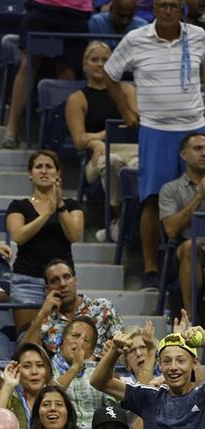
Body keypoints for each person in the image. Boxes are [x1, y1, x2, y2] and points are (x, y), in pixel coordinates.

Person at [104, 1, 205, 291]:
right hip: (155, 128)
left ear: (182, 8)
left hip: (196, 126)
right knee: (150, 199)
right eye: (162, 5)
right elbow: (111, 73)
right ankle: (150, 270)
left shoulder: (198, 35)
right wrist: (125, 110)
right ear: (155, 8)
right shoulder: (136, 38)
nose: (168, 11)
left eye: (174, 5)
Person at [6, 150, 86, 332]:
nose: (43, 171)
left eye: (49, 167)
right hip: (27, 281)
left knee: (64, 336)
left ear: (57, 173)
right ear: (30, 174)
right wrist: (48, 213)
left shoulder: (71, 205)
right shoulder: (18, 206)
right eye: (38, 167)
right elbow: (18, 236)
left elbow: (74, 235)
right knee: (29, 336)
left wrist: (58, 206)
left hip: (62, 282)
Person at [1, 0, 93, 150]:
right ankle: (11, 129)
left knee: (68, 71)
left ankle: (63, 135)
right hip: (43, 9)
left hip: (76, 13)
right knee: (30, 64)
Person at [66, 41, 140, 218]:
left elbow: (136, 123)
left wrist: (99, 136)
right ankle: (120, 218)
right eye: (94, 60)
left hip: (131, 150)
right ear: (85, 65)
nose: (100, 64)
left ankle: (135, 218)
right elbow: (79, 139)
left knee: (142, 165)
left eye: (106, 60)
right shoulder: (77, 99)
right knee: (112, 161)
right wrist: (96, 144)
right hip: (98, 156)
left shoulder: (127, 90)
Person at [24, 259, 124, 360]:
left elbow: (123, 346)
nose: (62, 284)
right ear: (47, 289)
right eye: (55, 280)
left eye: (66, 277)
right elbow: (25, 355)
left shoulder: (103, 307)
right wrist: (42, 313)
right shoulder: (45, 321)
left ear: (75, 281)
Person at [159, 131, 205, 315]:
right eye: (198, 148)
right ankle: (192, 323)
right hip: (183, 250)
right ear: (183, 155)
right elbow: (170, 229)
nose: (204, 153)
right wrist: (200, 195)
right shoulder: (170, 189)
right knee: (190, 247)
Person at [40, 317, 113, 419]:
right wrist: (75, 367)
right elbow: (45, 400)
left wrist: (110, 364)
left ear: (91, 350)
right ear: (62, 340)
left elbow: (115, 407)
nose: (79, 342)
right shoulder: (44, 368)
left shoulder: (97, 374)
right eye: (75, 336)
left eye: (86, 340)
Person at [0, 342, 57, 429]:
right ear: (17, 370)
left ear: (48, 370)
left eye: (40, 365)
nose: (34, 372)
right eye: (27, 366)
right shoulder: (10, 398)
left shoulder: (57, 398)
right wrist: (8, 385)